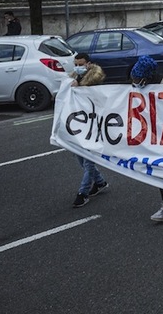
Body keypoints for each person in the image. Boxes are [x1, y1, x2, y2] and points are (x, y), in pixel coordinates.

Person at [129, 56, 163, 223]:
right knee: (160, 169)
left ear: (146, 77)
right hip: (152, 135)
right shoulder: (138, 85)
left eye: (137, 79)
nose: (135, 82)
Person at [69, 53, 109, 208]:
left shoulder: (95, 80)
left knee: (88, 160)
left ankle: (82, 193)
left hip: (94, 125)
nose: (78, 67)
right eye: (76, 64)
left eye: (81, 64)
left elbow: (100, 100)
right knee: (80, 156)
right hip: (79, 125)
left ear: (88, 64)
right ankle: (100, 182)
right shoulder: (74, 79)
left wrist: (81, 89)